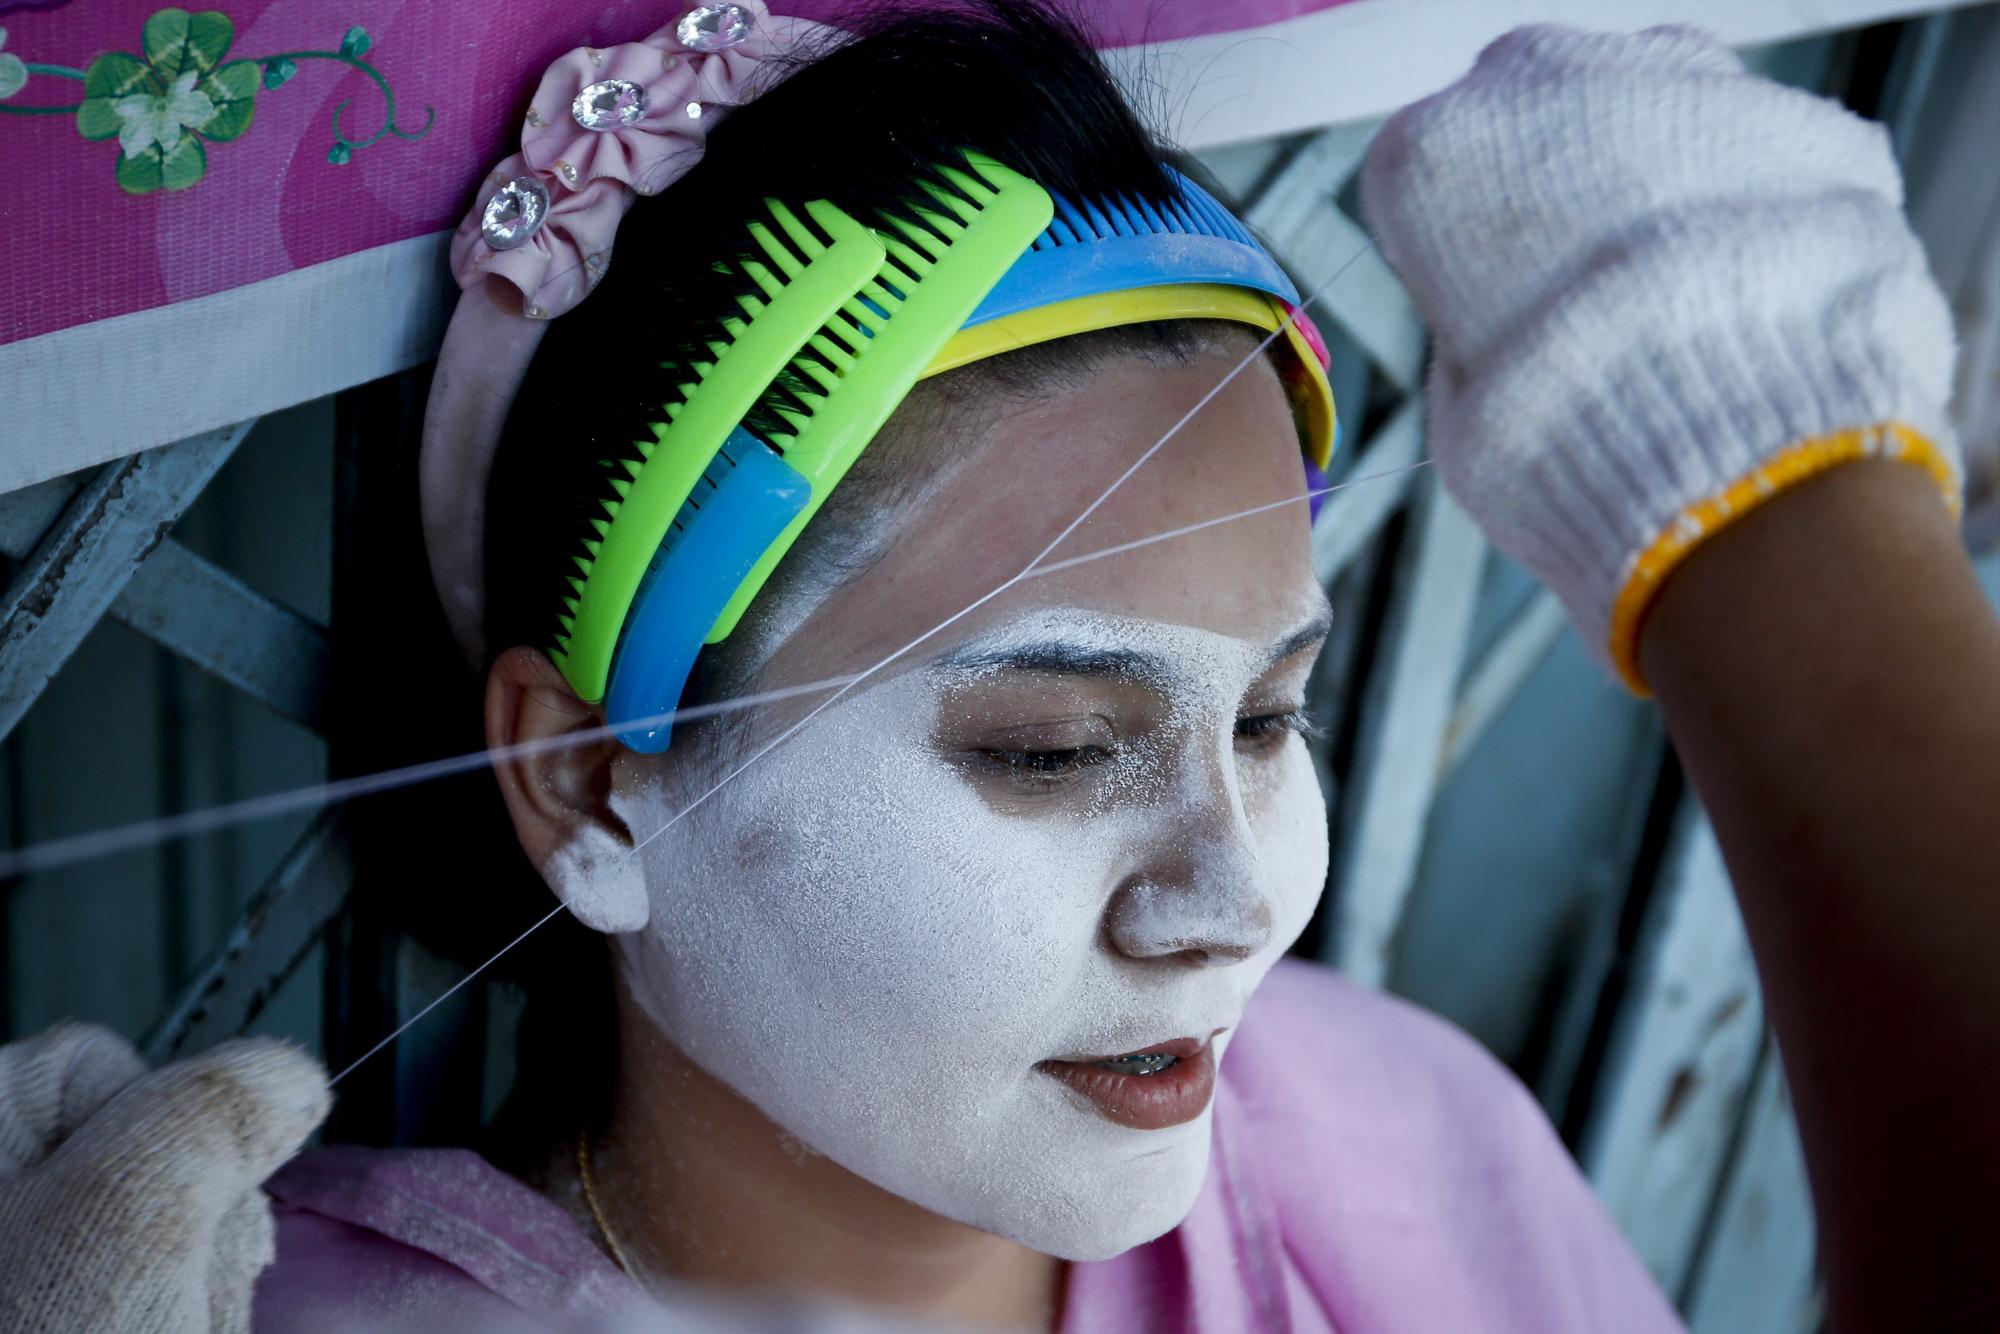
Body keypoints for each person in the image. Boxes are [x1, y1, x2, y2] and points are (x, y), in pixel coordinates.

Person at [4, 5, 1995, 1332]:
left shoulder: (1380, 1142)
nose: (1237, 903)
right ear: (597, 786)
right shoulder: (248, 1302)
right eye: (1052, 749)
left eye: (1272, 712)